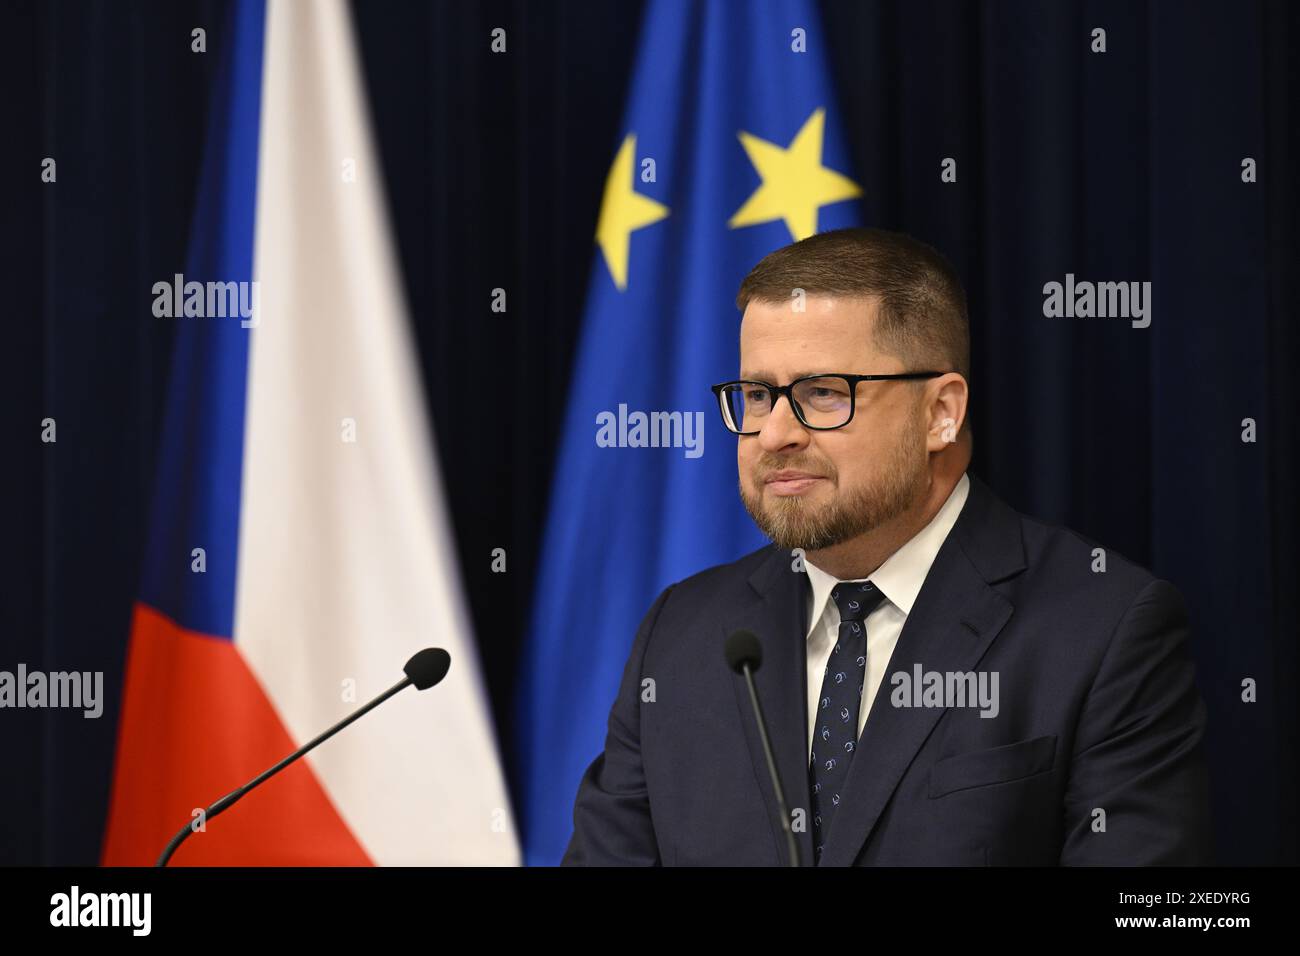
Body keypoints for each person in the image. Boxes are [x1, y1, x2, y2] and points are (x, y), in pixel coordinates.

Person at [562, 227, 1213, 866]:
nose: (774, 434)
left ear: (941, 413)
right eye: (758, 396)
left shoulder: (1104, 629)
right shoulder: (681, 635)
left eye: (822, 393)